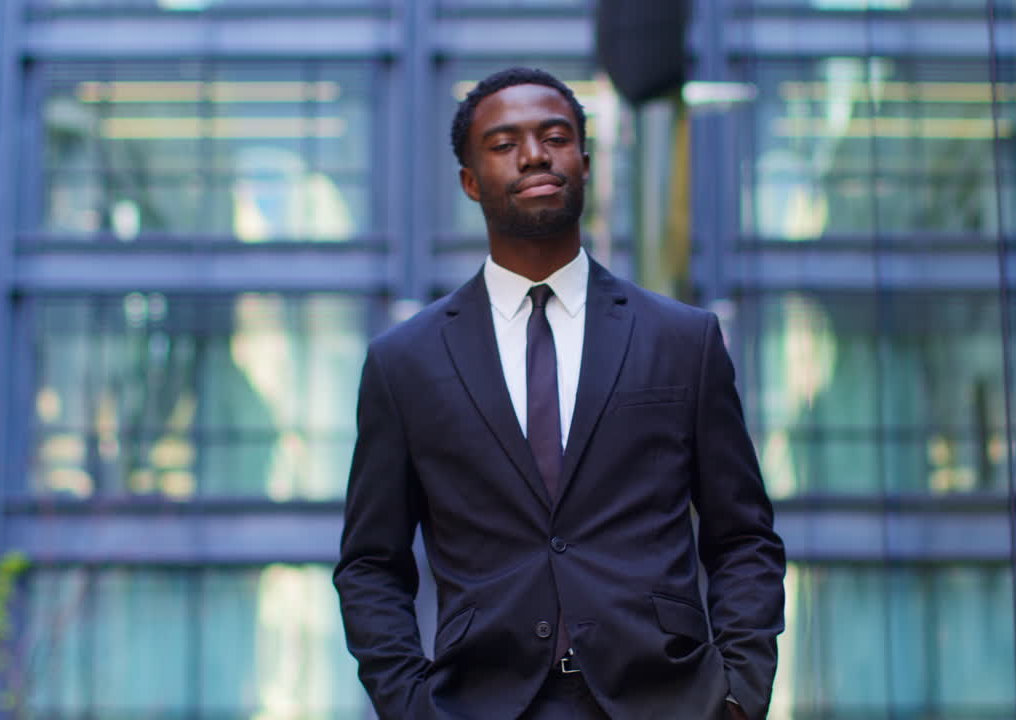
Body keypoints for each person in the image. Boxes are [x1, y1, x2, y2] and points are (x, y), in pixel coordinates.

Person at [334, 67, 785, 720]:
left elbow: (744, 537)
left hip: (669, 699)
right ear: (468, 180)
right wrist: (412, 707)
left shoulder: (683, 339)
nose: (535, 154)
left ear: (586, 161)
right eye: (504, 143)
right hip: (481, 703)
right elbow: (371, 565)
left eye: (555, 136)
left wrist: (741, 691)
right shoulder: (406, 362)